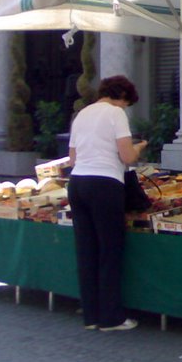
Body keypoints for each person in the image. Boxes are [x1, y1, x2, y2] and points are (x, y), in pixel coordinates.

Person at [67, 75, 147, 332]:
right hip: (105, 184)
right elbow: (126, 156)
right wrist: (140, 148)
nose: (125, 108)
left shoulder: (82, 114)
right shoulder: (115, 114)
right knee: (109, 251)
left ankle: (91, 315)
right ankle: (111, 317)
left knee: (86, 250)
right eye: (126, 103)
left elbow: (72, 158)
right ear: (122, 97)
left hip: (77, 183)